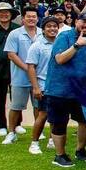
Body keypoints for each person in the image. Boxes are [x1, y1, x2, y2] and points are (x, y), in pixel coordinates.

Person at [45, 11, 86, 167]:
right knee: (60, 122)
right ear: (76, 22)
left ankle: (80, 150)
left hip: (82, 90)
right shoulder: (64, 37)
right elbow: (59, 59)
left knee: (84, 121)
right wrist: (76, 45)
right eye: (83, 22)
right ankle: (60, 155)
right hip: (60, 89)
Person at [2, 6, 40, 144]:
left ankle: (38, 131)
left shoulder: (42, 33)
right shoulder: (15, 34)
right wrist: (28, 69)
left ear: (37, 18)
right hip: (20, 78)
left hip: (38, 78)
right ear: (23, 19)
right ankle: (11, 132)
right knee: (16, 106)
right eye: (28, 17)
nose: (31, 19)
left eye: (34, 17)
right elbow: (11, 54)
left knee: (38, 107)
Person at [24, 16, 60, 154]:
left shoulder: (60, 43)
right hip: (44, 85)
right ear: (43, 29)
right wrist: (36, 87)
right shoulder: (37, 46)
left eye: (55, 26)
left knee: (57, 115)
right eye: (49, 26)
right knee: (43, 114)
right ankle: (34, 143)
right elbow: (31, 67)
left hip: (58, 85)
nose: (52, 29)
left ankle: (52, 139)